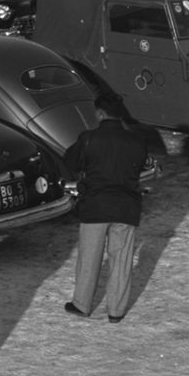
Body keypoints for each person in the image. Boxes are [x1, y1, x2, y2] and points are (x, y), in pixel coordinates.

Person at [63, 106, 148, 322]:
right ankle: (116, 311)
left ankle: (82, 304)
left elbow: (69, 161)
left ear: (100, 114)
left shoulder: (89, 138)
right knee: (121, 261)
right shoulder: (136, 140)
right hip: (126, 206)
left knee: (89, 258)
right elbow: (141, 167)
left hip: (95, 206)